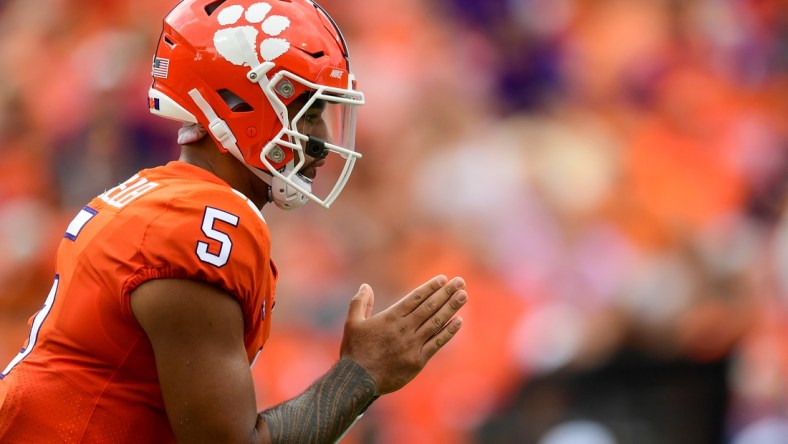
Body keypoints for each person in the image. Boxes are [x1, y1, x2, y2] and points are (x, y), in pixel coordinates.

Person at [0, 0, 468, 442]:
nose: (322, 138)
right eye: (309, 112)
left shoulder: (161, 196)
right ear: (239, 102)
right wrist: (361, 374)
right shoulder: (200, 220)